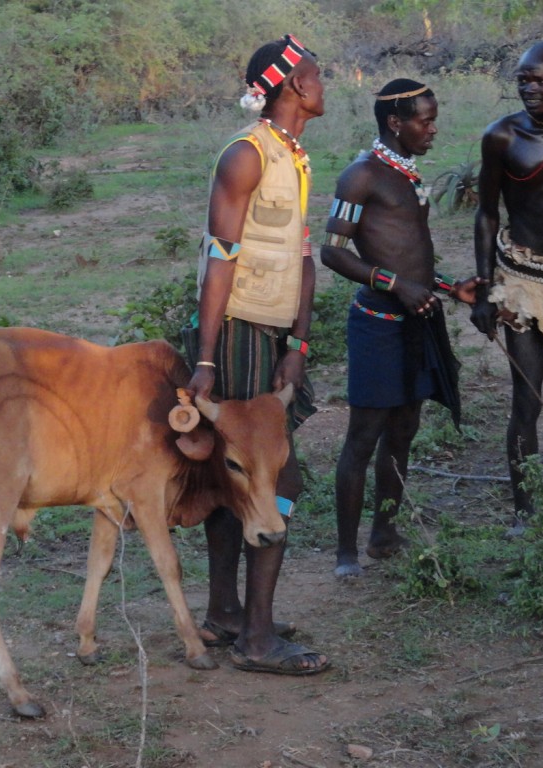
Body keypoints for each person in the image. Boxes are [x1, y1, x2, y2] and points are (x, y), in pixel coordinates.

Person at [186, 35, 329, 675]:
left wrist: (297, 344)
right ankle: (258, 637)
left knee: (241, 476)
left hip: (274, 335)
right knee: (277, 477)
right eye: (316, 73)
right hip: (237, 330)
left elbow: (302, 258)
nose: (323, 82)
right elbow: (221, 259)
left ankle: (225, 613)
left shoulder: (293, 157)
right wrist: (209, 359)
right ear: (294, 84)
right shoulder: (245, 157)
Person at [320, 80, 483, 578]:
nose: (433, 128)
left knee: (405, 429)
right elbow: (333, 251)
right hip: (377, 325)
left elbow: (408, 253)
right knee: (364, 436)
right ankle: (347, 553)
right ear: (395, 122)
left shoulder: (407, 176)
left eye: (433, 118)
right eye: (424, 120)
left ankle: (384, 534)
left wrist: (449, 287)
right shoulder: (359, 177)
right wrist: (394, 285)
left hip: (417, 322)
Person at [470, 41, 543, 534]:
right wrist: (487, 288)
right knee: (526, 401)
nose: (530, 88)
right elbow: (487, 213)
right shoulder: (502, 136)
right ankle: (524, 512)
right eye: (523, 79)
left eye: (541, 80)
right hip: (521, 280)